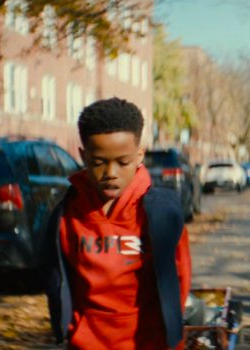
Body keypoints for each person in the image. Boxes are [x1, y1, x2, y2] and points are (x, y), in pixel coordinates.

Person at [42, 98, 192, 349]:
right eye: (98, 162)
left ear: (140, 154)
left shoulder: (161, 213)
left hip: (150, 343)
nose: (111, 173)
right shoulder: (67, 215)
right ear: (83, 155)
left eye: (123, 162)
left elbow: (179, 279)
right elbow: (57, 279)